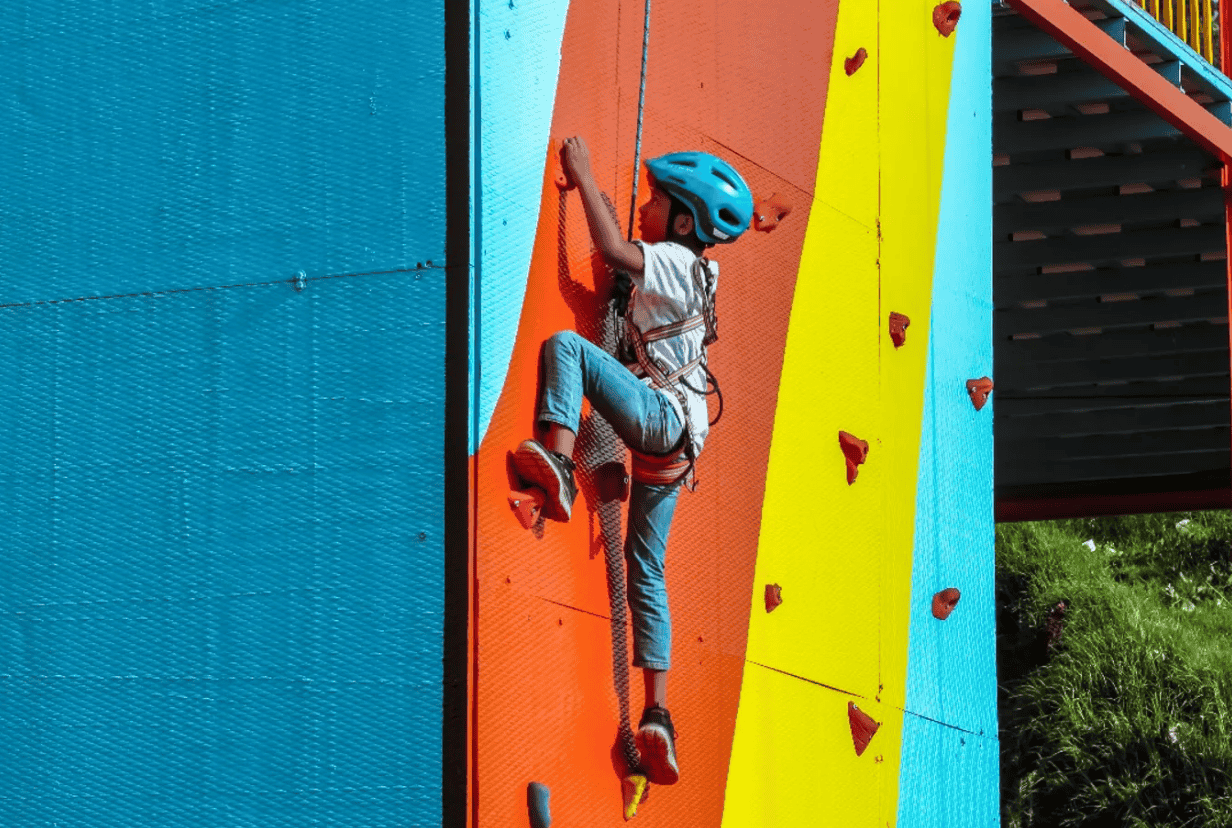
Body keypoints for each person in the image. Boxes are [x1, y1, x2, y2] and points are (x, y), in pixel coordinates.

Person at [511, 135, 753, 786]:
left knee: (566, 349)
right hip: (681, 447)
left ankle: (558, 466)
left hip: (661, 420)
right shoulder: (700, 274)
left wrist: (583, 178)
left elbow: (616, 252)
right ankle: (657, 717)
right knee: (645, 569)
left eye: (652, 202)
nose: (641, 209)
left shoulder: (676, 261)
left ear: (681, 224)